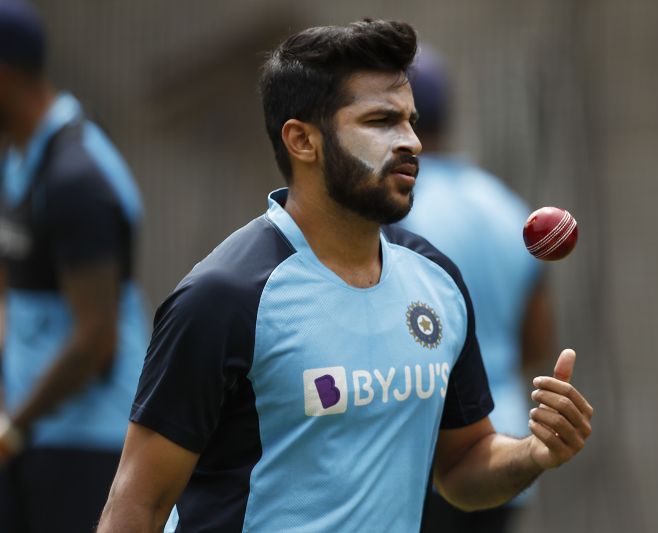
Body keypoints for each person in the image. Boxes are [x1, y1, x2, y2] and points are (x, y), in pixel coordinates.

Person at [98, 19, 592, 533]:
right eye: (381, 121)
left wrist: (534, 452)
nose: (411, 143)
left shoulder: (437, 280)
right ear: (303, 141)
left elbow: (462, 467)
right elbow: (138, 506)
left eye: (410, 121)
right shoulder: (223, 299)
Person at [0, 1, 149, 531]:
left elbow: (96, 339)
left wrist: (12, 428)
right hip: (35, 430)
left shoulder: (75, 178)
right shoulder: (18, 157)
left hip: (86, 444)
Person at [402, 48, 557, 532]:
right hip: (505, 444)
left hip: (421, 451)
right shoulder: (508, 208)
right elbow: (535, 342)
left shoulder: (391, 210)